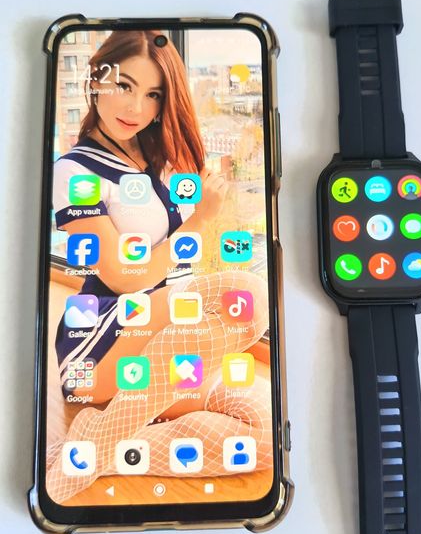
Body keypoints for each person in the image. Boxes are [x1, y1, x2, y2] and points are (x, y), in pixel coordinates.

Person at [47, 30, 272, 503]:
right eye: (124, 85)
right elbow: (123, 276)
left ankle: (98, 443)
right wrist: (200, 219)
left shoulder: (154, 158)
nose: (136, 107)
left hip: (161, 335)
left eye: (153, 95)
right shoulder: (75, 170)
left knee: (264, 434)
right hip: (104, 339)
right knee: (249, 299)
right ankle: (102, 436)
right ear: (97, 79)